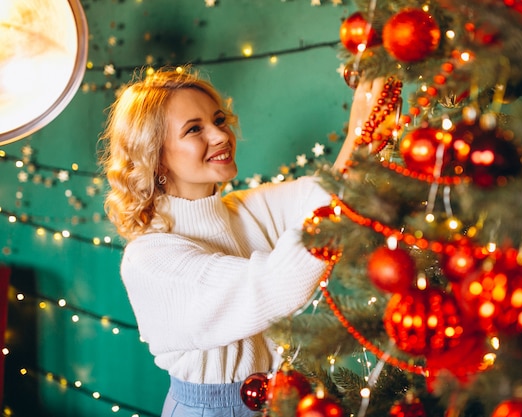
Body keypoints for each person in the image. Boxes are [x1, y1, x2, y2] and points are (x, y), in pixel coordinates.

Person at [99, 66, 386, 417]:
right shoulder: (149, 258)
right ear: (154, 156)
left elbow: (328, 192)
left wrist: (369, 132)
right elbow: (275, 286)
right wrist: (359, 132)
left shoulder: (243, 208)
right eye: (194, 129)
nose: (220, 135)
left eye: (219, 120)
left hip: (276, 398)